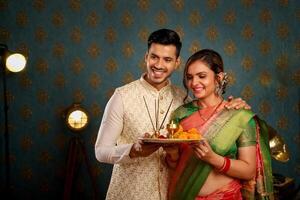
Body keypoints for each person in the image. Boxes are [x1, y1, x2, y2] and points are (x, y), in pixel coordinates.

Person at [95, 29, 250, 200]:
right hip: (129, 194)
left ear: (177, 63)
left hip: (174, 194)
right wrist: (133, 150)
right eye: (154, 57)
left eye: (167, 59)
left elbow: (212, 113)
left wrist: (233, 106)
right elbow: (101, 151)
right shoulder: (122, 96)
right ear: (146, 57)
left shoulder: (184, 101)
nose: (159, 65)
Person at [167, 49, 274, 200]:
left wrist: (212, 158)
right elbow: (173, 166)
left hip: (226, 196)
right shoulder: (180, 114)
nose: (194, 83)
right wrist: (171, 153)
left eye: (202, 76)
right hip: (185, 195)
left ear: (219, 77)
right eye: (190, 77)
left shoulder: (239, 115)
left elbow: (249, 170)